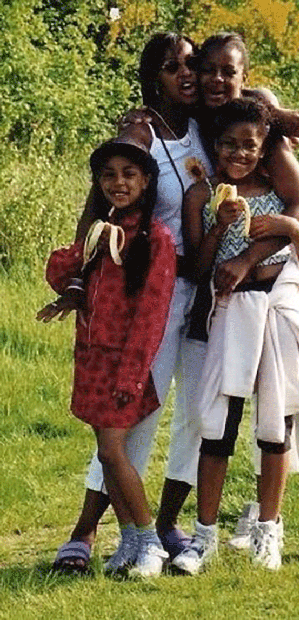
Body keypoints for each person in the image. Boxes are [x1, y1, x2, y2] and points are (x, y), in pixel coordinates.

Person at [43, 31, 299, 572]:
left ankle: (170, 524)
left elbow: (257, 117)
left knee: (199, 417)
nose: (188, 74)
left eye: (191, 64)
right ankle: (87, 532)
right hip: (149, 295)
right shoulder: (140, 132)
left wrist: (281, 114)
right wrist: (78, 277)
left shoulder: (210, 126)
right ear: (154, 76)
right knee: (133, 417)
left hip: (209, 294)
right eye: (174, 67)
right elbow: (99, 206)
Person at [171, 98, 299, 575]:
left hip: (274, 307)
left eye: (249, 146)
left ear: (264, 150)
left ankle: (268, 531)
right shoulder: (204, 194)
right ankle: (204, 536)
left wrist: (280, 233)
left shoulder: (276, 196)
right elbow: (196, 267)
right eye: (229, 145)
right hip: (230, 311)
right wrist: (219, 232)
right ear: (214, 145)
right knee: (219, 423)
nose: (238, 154)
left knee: (275, 426)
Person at [37, 136, 176, 577]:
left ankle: (149, 540)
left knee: (115, 455)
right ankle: (131, 543)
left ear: (147, 180)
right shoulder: (104, 231)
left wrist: (132, 376)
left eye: (129, 174)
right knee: (106, 454)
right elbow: (59, 269)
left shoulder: (156, 238)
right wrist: (90, 241)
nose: (118, 183)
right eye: (108, 175)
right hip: (91, 361)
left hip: (124, 365)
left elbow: (152, 316)